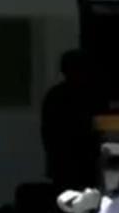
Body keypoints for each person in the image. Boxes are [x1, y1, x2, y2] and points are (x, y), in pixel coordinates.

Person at [40, 49, 99, 191]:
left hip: (63, 163)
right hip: (81, 163)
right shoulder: (88, 95)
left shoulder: (54, 95)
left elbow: (47, 133)